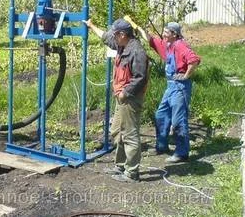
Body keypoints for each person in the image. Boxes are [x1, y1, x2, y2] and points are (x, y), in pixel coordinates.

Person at [84, 18, 148, 182]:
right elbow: (105, 37)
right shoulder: (122, 45)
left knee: (130, 134)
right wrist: (91, 26)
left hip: (130, 98)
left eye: (115, 34)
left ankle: (132, 172)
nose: (113, 36)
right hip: (122, 97)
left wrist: (125, 93)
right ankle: (120, 165)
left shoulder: (136, 52)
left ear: (122, 34)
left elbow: (140, 78)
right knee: (118, 131)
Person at [135, 21, 200, 163]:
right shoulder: (168, 45)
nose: (163, 34)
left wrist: (186, 75)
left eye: (166, 32)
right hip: (170, 86)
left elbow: (193, 60)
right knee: (161, 114)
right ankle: (162, 146)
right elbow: (151, 40)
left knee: (178, 120)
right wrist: (138, 27)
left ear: (174, 34)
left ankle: (182, 153)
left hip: (180, 87)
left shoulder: (180, 45)